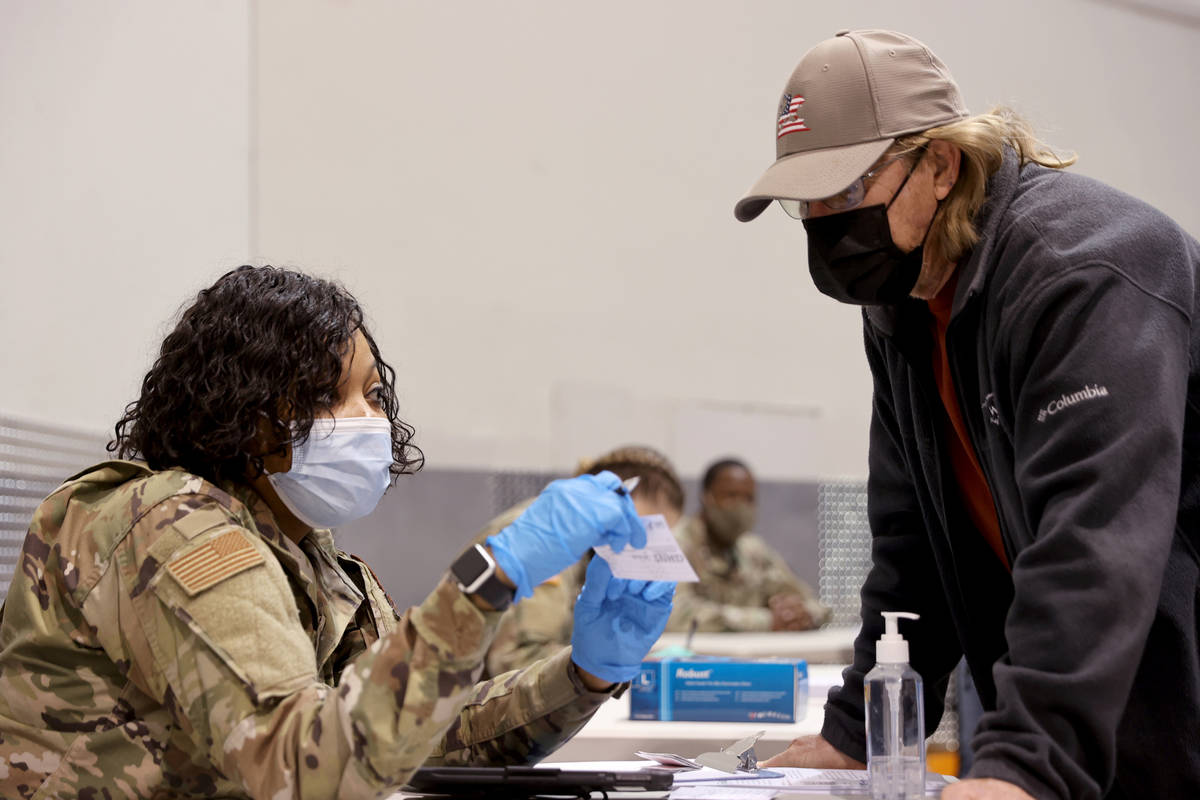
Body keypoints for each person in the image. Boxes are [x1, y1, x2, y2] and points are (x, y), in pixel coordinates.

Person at [0, 265, 675, 798]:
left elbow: (410, 735)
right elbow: (304, 771)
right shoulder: (170, 524)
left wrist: (586, 673)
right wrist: (484, 581)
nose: (365, 420)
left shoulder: (312, 555)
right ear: (243, 408)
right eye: (326, 395)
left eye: (373, 396)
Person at [734, 29, 1200, 800]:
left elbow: (1095, 542)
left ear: (941, 164)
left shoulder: (1085, 275)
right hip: (1103, 726)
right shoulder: (904, 303)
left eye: (847, 192)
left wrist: (1027, 765)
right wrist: (855, 735)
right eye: (804, 202)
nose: (825, 223)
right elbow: (914, 540)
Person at [481, 445, 686, 678]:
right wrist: (608, 669)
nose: (643, 548)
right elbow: (516, 659)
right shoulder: (551, 533)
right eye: (645, 530)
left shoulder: (594, 551)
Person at [666, 458, 829, 633]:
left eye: (748, 498)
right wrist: (766, 621)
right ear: (706, 497)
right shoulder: (677, 544)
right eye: (731, 496)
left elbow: (810, 602)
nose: (741, 506)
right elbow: (673, 614)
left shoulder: (753, 550)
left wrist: (803, 615)